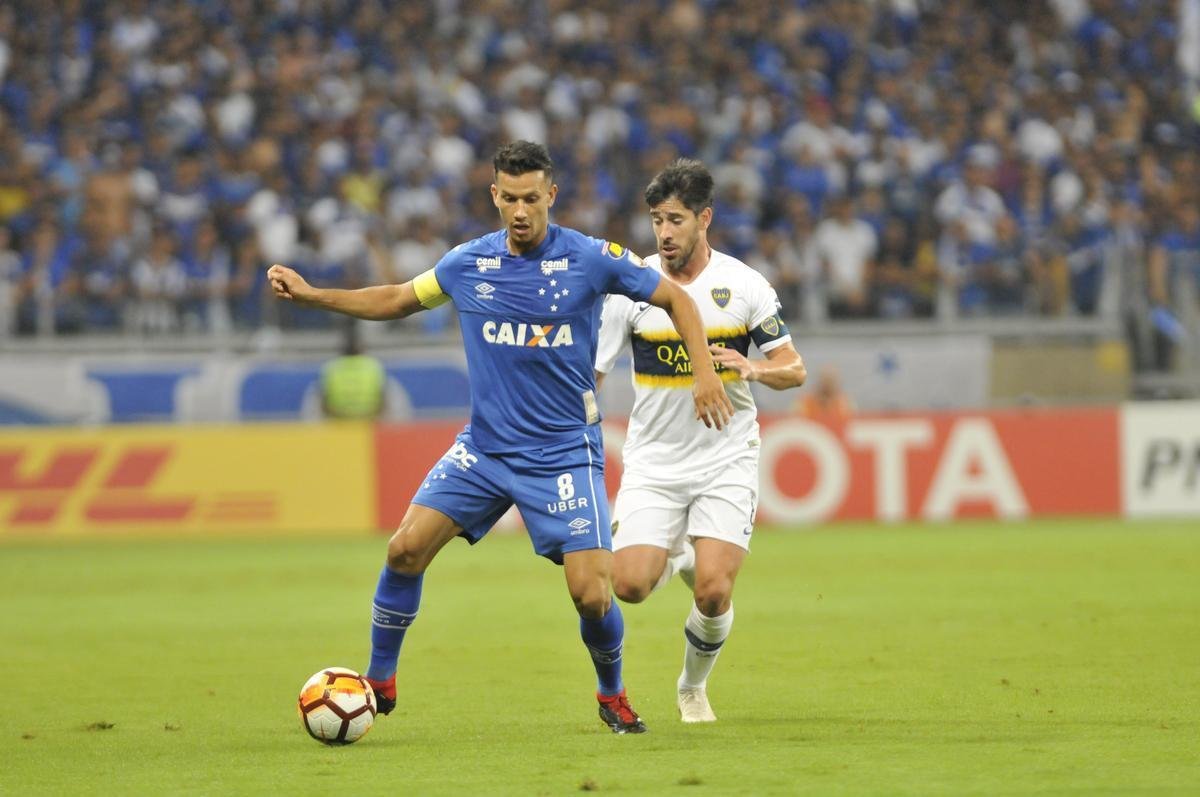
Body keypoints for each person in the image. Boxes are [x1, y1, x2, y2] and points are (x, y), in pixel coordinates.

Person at [268, 141, 733, 734]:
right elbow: (395, 299)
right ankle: (379, 680)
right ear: (494, 195)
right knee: (404, 550)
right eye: (509, 199)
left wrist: (701, 372)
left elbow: (675, 298)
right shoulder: (468, 264)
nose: (520, 211)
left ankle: (611, 695)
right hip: (484, 449)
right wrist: (313, 295)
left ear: (551, 196)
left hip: (564, 450)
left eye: (531, 199)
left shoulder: (591, 259)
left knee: (592, 595)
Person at [594, 159, 806, 723]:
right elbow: (593, 374)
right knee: (631, 586)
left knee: (712, 592)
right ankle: (678, 549)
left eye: (676, 220)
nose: (664, 233)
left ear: (704, 218)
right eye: (657, 220)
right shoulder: (630, 287)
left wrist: (751, 369)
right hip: (654, 463)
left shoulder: (743, 285)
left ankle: (692, 685)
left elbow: (794, 369)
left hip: (725, 458)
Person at [320, 320, 387, 420]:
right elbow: (383, 398)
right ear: (362, 348)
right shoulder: (372, 365)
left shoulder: (332, 367)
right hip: (368, 419)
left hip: (339, 421)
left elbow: (324, 400)